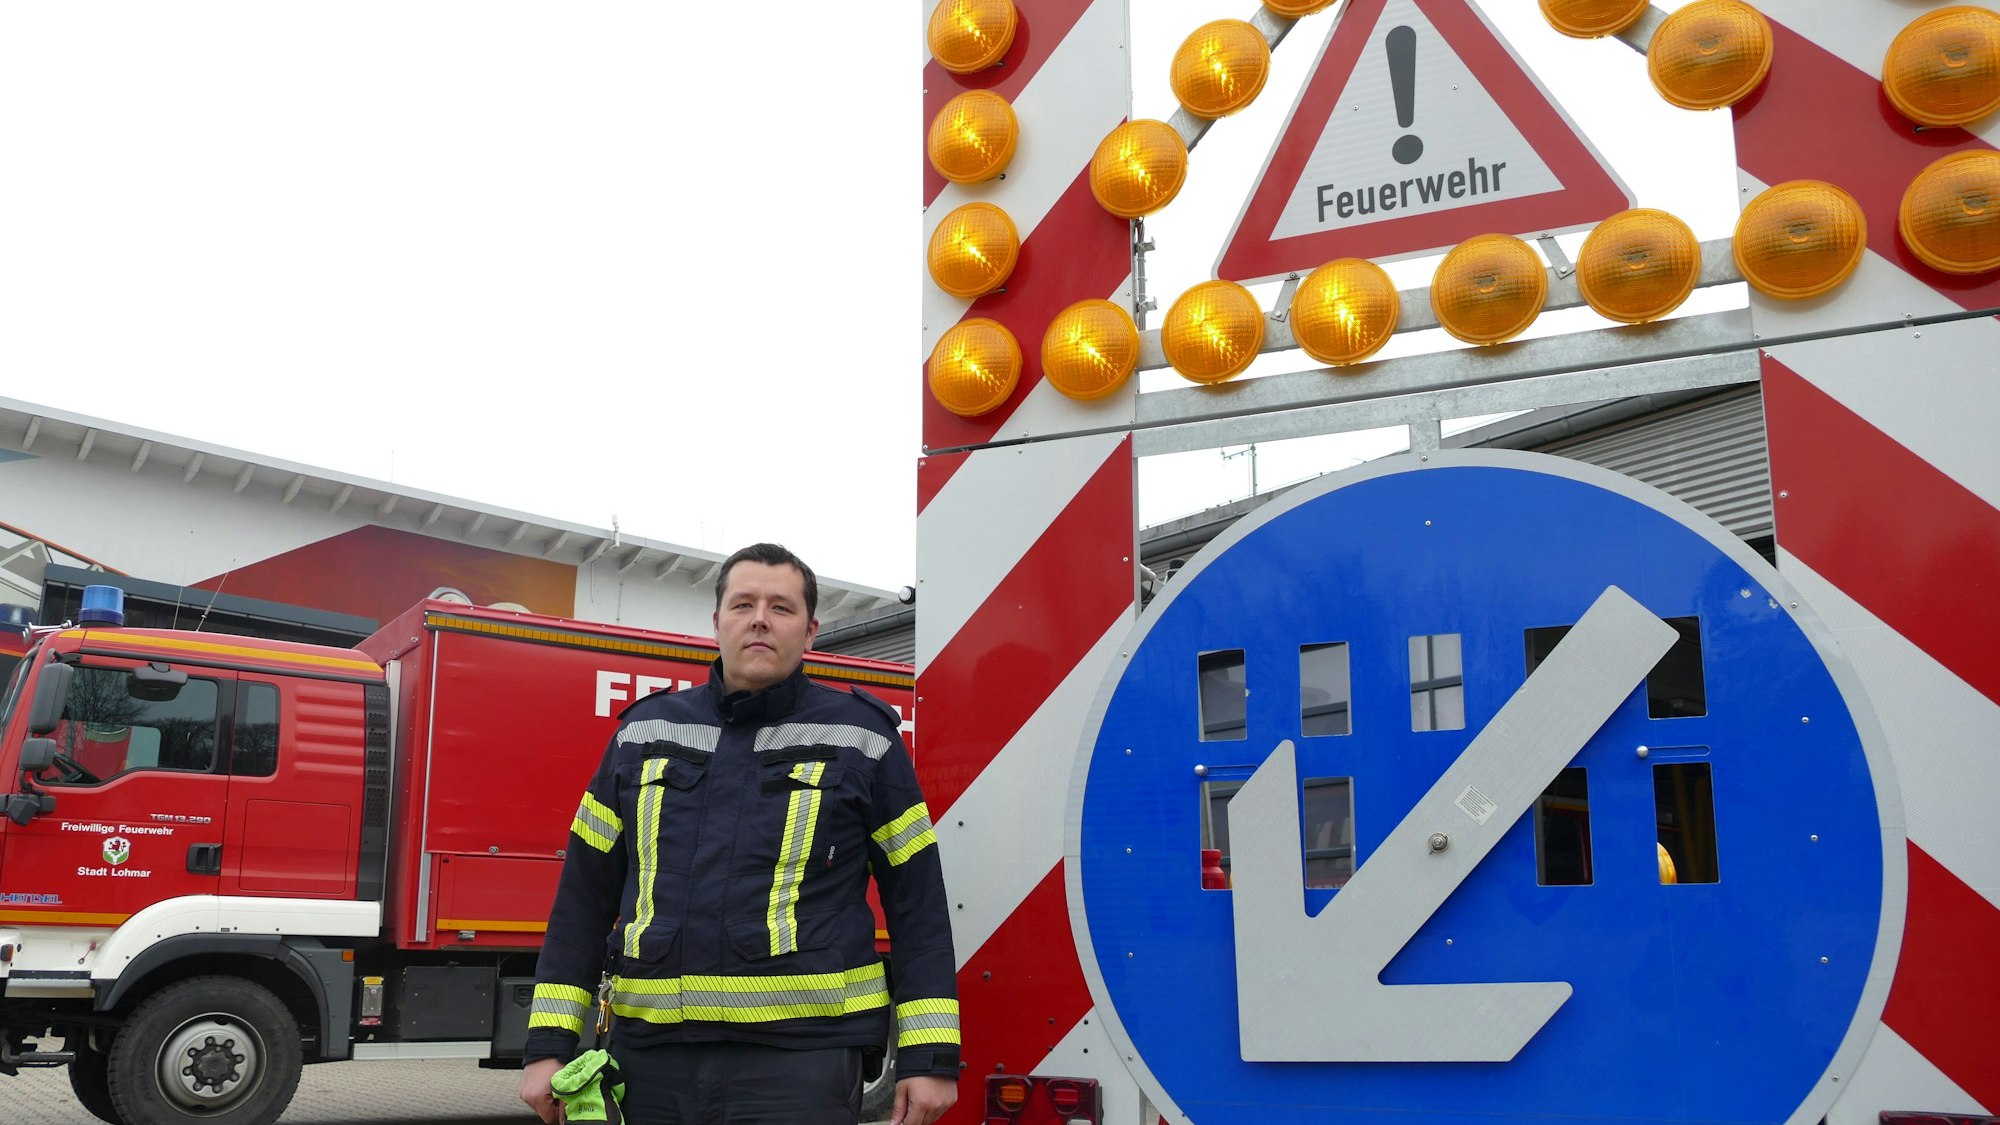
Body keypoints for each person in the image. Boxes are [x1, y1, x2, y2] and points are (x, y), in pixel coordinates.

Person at [520, 543, 959, 1125]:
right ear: (717, 621)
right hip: (649, 1060)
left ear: (810, 632)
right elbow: (582, 899)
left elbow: (918, 905)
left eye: (781, 607)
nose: (759, 619)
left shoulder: (863, 738)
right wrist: (547, 1047)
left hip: (802, 1064)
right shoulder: (642, 735)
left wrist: (929, 1058)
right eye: (743, 604)